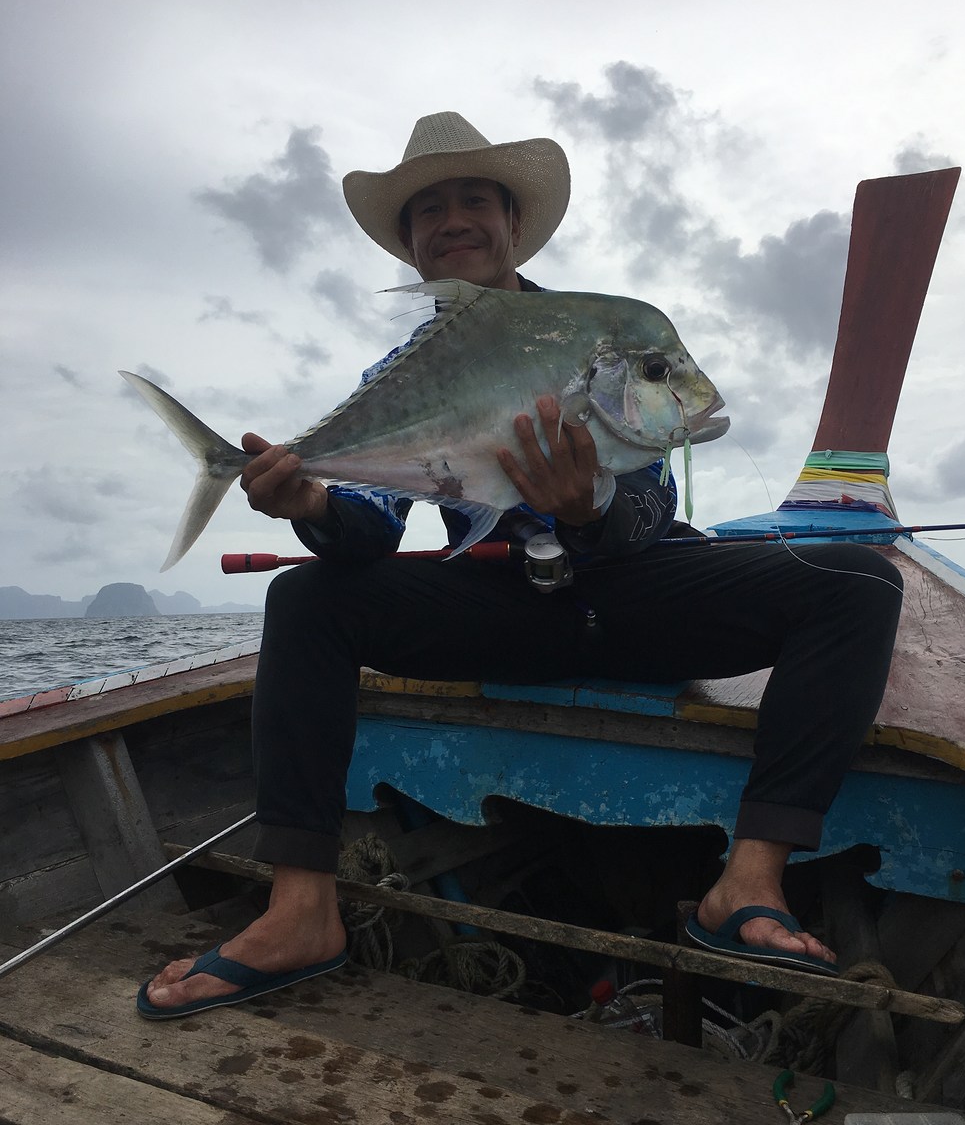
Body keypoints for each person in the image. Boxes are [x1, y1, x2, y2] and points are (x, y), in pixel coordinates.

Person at [138, 112, 904, 1018]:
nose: (452, 219)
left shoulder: (596, 333)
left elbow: (651, 510)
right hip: (500, 605)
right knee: (307, 597)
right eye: (428, 209)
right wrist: (310, 503)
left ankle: (748, 879)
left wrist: (589, 511)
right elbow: (370, 530)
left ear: (511, 223)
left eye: (473, 199)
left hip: (630, 596)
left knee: (858, 580)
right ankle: (301, 909)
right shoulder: (407, 364)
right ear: (411, 245)